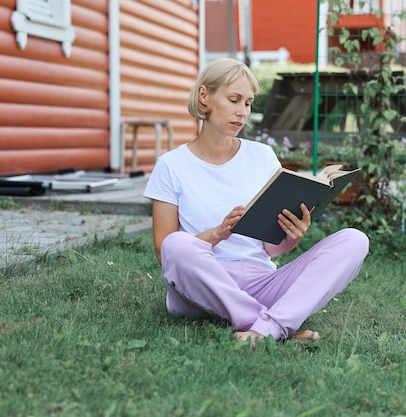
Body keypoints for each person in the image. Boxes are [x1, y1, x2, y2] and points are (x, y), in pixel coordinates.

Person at [143, 58, 369, 343]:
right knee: (177, 243)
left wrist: (292, 235)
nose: (242, 113)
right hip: (201, 287)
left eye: (248, 103)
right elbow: (165, 254)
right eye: (234, 100)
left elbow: (271, 249)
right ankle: (272, 324)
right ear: (204, 96)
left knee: (355, 240)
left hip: (262, 281)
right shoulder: (171, 165)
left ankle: (265, 326)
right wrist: (217, 234)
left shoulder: (262, 156)